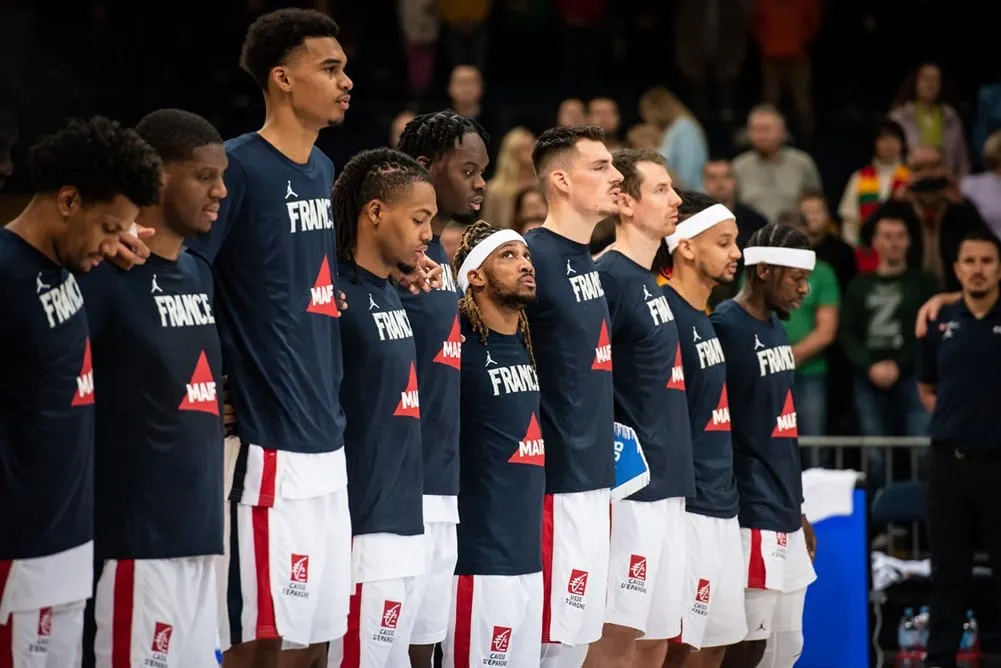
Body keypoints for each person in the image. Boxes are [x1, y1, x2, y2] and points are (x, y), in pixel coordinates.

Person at [174, 9, 357, 666]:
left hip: (326, 440)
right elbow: (186, 273)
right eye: (329, 68)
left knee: (316, 639)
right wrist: (204, 377)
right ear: (282, 78)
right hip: (267, 443)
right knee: (262, 637)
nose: (346, 82)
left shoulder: (320, 169)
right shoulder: (237, 166)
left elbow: (311, 287)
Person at [0, 116, 161, 664]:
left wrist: (113, 239)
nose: (117, 243)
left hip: (71, 544)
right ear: (68, 200)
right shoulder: (6, 277)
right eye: (112, 226)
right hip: (17, 555)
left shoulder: (72, 265)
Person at [79, 109, 227, 667]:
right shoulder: (102, 274)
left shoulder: (198, 273)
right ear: (158, 178)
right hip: (135, 543)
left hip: (199, 537)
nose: (221, 191)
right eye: (205, 176)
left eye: (223, 176)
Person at [326, 148, 436, 667]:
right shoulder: (334, 295)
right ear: (374, 213)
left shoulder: (393, 291)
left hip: (404, 521)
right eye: (419, 219)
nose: (427, 234)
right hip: (360, 528)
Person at [586, 149, 691, 668]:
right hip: (631, 487)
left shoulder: (652, 282)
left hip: (669, 483)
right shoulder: (607, 276)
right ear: (624, 202)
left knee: (654, 639)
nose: (676, 200)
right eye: (661, 190)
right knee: (615, 634)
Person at [396, 110, 490, 667]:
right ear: (427, 166)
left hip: (443, 485)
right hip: (388, 492)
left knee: (425, 648)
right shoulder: (372, 263)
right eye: (470, 168)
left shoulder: (440, 268)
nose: (481, 182)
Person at [526, 125, 622, 668]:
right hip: (553, 484)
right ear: (561, 180)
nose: (616, 176)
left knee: (576, 643)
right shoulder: (529, 257)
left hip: (594, 478)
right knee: (548, 644)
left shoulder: (589, 260)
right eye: (602, 166)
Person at [709, 223, 818, 668]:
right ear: (763, 272)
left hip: (785, 508)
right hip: (751, 510)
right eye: (796, 278)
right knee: (748, 646)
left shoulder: (775, 325)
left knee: (787, 647)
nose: (805, 289)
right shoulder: (724, 327)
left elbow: (781, 426)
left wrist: (800, 508)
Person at [444, 220, 544, 668]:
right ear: (475, 276)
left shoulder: (526, 346)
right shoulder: (457, 347)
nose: (525, 263)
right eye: (508, 256)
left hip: (528, 559)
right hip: (479, 561)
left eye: (525, 255)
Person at [656, 191, 746, 668]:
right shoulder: (667, 314)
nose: (736, 253)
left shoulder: (705, 320)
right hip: (688, 508)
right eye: (724, 242)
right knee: (680, 647)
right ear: (686, 247)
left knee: (715, 643)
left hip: (721, 503)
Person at [916, 228, 1001, 668]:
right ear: (957, 268)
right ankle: (939, 660)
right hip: (949, 464)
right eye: (969, 261)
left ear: (999, 268)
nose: (978, 269)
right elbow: (926, 385)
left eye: (987, 261)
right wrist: (957, 418)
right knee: (948, 575)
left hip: (998, 467)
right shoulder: (939, 321)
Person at [840, 214, 937, 482]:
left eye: (899, 236)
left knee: (921, 449)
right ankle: (880, 520)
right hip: (867, 378)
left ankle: (922, 521)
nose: (893, 243)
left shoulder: (923, 283)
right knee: (876, 454)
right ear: (875, 242)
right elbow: (847, 333)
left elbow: (929, 332)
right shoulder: (859, 285)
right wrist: (869, 366)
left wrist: (899, 364)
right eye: (887, 236)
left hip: (913, 376)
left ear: (908, 242)